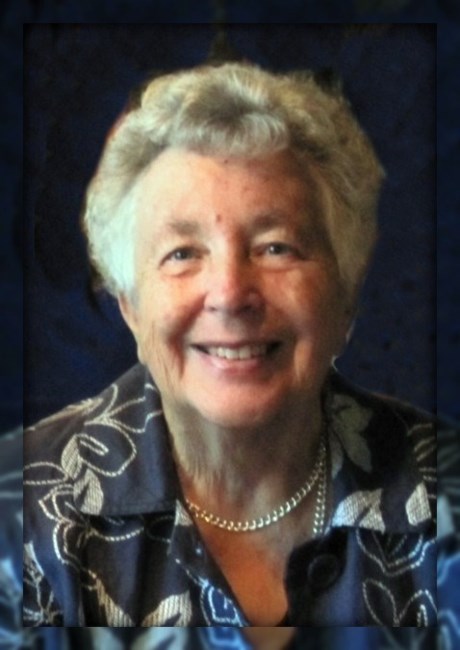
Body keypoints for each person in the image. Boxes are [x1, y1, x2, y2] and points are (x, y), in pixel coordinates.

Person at [24, 61, 436, 626]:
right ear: (130, 307)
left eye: (276, 247)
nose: (230, 294)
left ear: (345, 291)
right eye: (183, 254)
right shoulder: (21, 518)